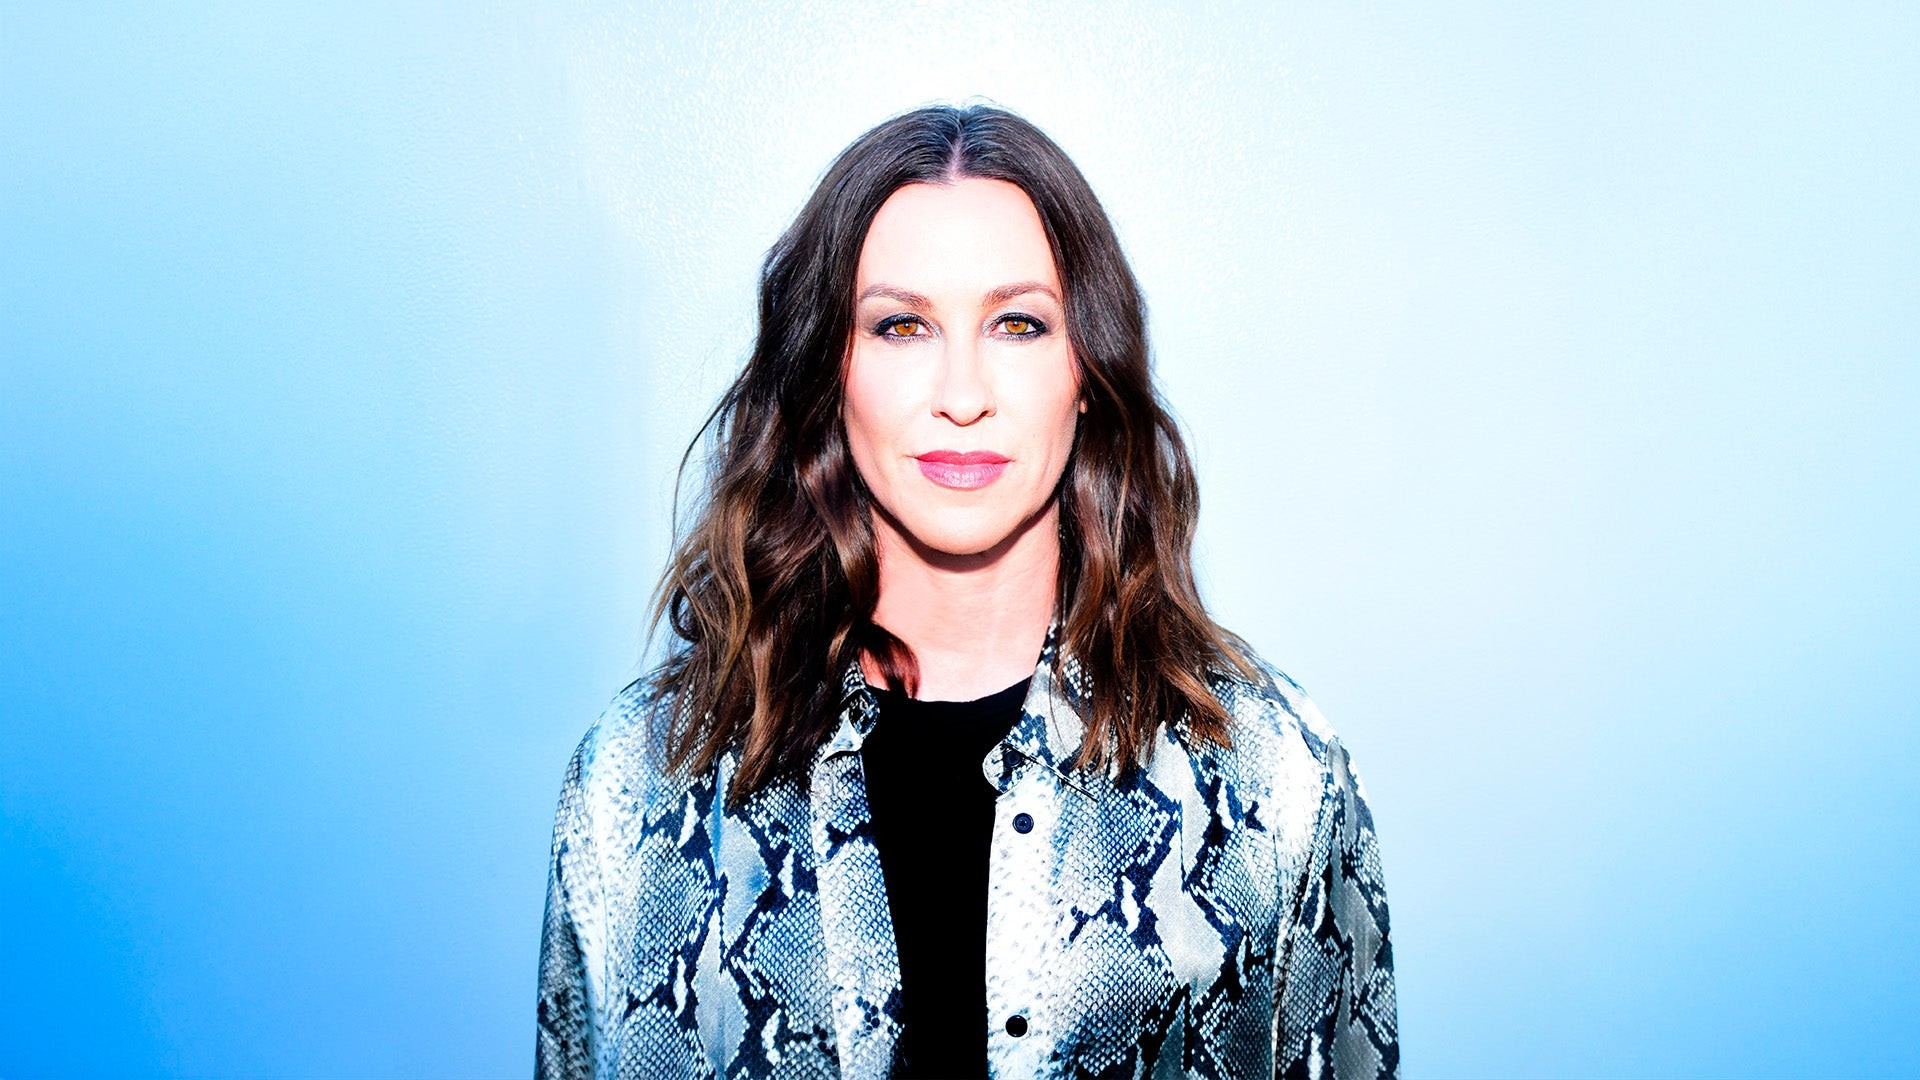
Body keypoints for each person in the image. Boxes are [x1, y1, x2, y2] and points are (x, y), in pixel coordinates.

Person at [536, 103, 1397, 1080]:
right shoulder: (635, 785)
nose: (961, 394)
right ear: (829, 372)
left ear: (1087, 371)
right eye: (901, 326)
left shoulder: (1272, 781)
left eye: (1017, 324)